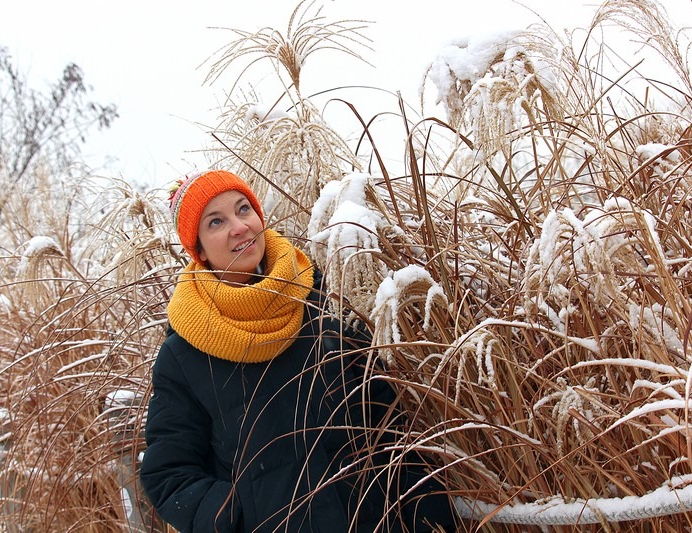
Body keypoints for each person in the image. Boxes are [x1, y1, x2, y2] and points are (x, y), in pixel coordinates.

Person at [139, 169, 458, 532]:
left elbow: (390, 421)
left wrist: (425, 516)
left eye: (244, 209)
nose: (239, 227)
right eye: (216, 221)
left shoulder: (326, 299)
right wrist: (242, 515)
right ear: (198, 249)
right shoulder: (186, 351)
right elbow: (168, 473)